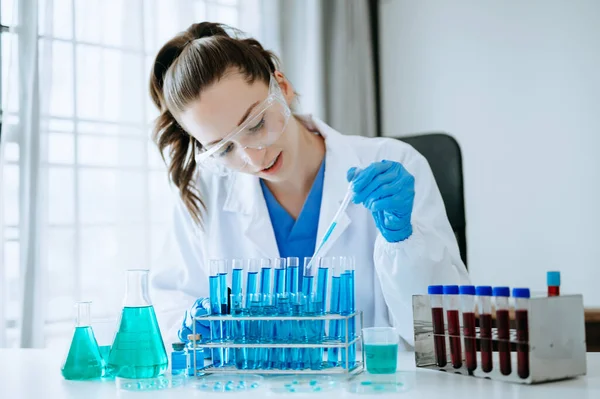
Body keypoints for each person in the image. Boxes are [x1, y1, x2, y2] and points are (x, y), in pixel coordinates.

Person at [149, 22, 470, 350]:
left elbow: (443, 334)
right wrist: (189, 327)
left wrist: (405, 242)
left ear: (281, 86)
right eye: (225, 148)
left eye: (256, 123)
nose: (253, 155)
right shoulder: (204, 193)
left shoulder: (394, 160)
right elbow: (169, 310)